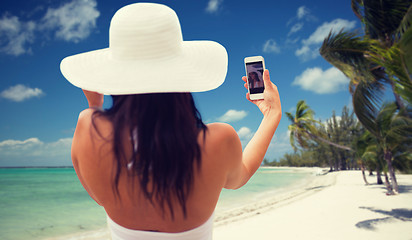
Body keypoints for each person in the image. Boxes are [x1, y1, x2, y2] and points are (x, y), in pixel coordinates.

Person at [61, 3, 281, 240]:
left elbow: (98, 194)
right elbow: (241, 174)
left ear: (115, 77)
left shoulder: (88, 128)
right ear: (182, 73)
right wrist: (272, 114)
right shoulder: (219, 140)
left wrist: (94, 106)